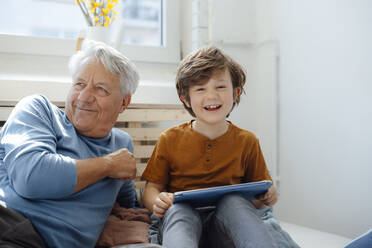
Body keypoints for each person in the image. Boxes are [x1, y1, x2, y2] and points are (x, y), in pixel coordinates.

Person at [0, 39, 140, 248]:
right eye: (79, 84)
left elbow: (129, 201)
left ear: (124, 102)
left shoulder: (122, 145)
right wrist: (107, 165)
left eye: (101, 89)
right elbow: (31, 178)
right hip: (10, 222)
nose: (84, 97)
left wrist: (119, 209)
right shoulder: (38, 110)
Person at [141, 46, 279, 248]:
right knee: (179, 210)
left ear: (236, 92)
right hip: (183, 221)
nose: (211, 96)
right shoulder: (169, 139)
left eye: (220, 87)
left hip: (224, 229)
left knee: (234, 202)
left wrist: (266, 197)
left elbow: (256, 201)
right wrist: (157, 201)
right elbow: (151, 189)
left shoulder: (247, 141)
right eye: (200, 89)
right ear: (185, 98)